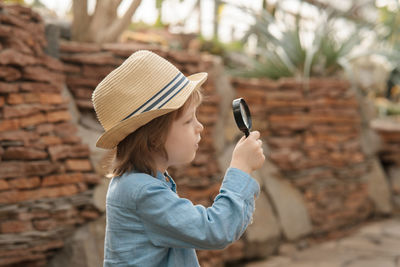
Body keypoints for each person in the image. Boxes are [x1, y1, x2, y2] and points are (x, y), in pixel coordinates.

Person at [92, 50, 265, 266]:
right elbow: (215, 230)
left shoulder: (143, 182)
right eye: (188, 121)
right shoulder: (142, 191)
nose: (199, 126)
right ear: (154, 137)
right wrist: (241, 168)